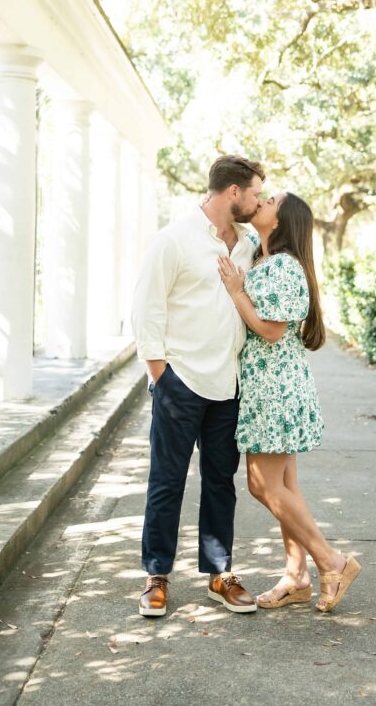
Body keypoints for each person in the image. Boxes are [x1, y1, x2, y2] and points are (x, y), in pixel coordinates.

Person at [132, 154, 265, 618]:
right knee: (166, 482)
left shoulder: (248, 243)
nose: (258, 202)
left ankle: (219, 573)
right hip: (181, 381)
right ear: (233, 192)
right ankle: (156, 576)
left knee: (220, 482)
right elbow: (147, 307)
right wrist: (159, 375)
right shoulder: (174, 239)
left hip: (229, 383)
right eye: (254, 194)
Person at [217, 191, 361, 613]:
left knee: (262, 485)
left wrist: (235, 291)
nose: (261, 201)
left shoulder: (281, 266)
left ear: (281, 221)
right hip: (275, 384)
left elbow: (271, 330)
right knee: (285, 486)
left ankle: (331, 561)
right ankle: (295, 576)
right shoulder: (268, 261)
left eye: (270, 200)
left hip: (274, 387)